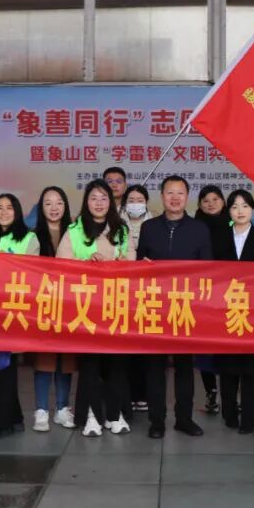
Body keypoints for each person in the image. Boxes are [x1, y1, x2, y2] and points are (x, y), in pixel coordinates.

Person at [58, 178, 135, 437]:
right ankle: (91, 414)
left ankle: (114, 414)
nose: (99, 203)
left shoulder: (121, 229)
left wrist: (121, 262)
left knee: (117, 362)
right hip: (86, 306)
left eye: (104, 198)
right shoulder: (74, 230)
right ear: (86, 202)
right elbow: (61, 265)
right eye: (94, 198)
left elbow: (132, 262)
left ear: (110, 202)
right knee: (90, 363)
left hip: (115, 304)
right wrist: (86, 263)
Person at [137, 175, 211, 439]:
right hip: (155, 306)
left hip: (186, 307)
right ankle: (156, 421)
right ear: (162, 196)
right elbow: (139, 265)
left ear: (187, 197)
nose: (175, 197)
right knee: (155, 367)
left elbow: (208, 269)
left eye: (180, 193)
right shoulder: (149, 228)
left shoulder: (199, 229)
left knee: (184, 367)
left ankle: (184, 419)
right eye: (170, 192)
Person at [213, 189, 254, 434]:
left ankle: (251, 417)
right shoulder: (219, 237)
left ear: (252, 209)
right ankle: (229, 414)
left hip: (253, 312)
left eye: (245, 206)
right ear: (229, 211)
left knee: (251, 368)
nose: (240, 211)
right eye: (234, 206)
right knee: (227, 367)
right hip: (225, 310)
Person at [0, 193, 36, 441]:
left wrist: (5, 264)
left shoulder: (28, 238)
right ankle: (15, 416)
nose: (3, 212)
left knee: (4, 367)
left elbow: (32, 274)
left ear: (17, 211)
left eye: (9, 207)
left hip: (12, 311)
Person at [31, 186, 76, 432]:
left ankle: (62, 408)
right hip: (44, 304)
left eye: (59, 202)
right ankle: (41, 410)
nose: (54, 207)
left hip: (70, 304)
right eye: (48, 203)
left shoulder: (76, 233)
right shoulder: (33, 235)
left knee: (66, 359)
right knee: (44, 357)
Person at [194, 184, 230, 415]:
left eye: (215, 199)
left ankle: (228, 393)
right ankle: (211, 392)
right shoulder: (194, 227)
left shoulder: (234, 226)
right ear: (199, 204)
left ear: (223, 202)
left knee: (226, 345)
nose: (211, 203)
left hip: (228, 294)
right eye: (205, 200)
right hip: (202, 295)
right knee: (204, 345)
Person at [121, 183, 152, 413]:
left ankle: (142, 394)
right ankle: (125, 396)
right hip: (121, 292)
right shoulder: (115, 224)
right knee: (124, 347)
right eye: (131, 200)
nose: (135, 203)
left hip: (147, 293)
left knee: (144, 347)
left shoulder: (154, 224)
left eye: (140, 200)